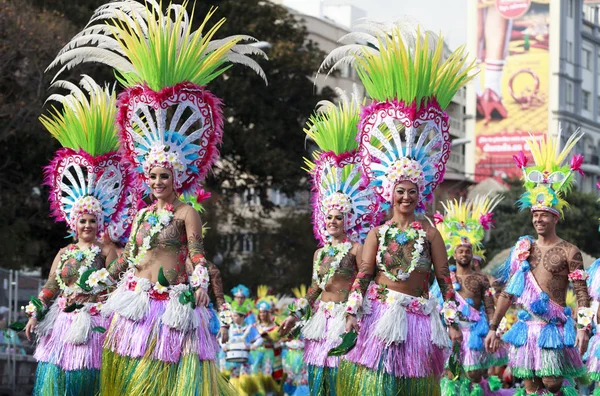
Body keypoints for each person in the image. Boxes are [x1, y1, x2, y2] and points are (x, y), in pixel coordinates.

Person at [48, 2, 268, 394]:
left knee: (169, 384)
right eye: (153, 176)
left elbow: (197, 254)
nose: (158, 181)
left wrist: (201, 281)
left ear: (177, 176)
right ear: (146, 177)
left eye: (165, 175)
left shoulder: (186, 213)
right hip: (135, 306)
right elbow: (131, 257)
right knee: (131, 383)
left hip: (171, 308)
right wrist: (95, 284)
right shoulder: (143, 214)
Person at [318, 19, 476, 395]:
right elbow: (365, 272)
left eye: (411, 192)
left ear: (420, 194)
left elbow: (443, 279)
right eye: (399, 192)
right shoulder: (376, 233)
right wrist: (354, 309)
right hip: (378, 313)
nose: (406, 197)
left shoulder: (431, 233)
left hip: (419, 319)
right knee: (378, 385)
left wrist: (452, 319)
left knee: (412, 386)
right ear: (390, 194)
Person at [25, 77, 137, 395]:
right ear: (74, 224)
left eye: (92, 221)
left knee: (86, 383)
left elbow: (120, 286)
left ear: (99, 222)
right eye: (82, 221)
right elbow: (49, 287)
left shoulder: (107, 251)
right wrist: (36, 312)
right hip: (61, 325)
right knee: (56, 384)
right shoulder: (64, 253)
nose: (87, 225)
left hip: (93, 328)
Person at [279, 88, 384, 395]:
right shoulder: (319, 252)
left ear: (348, 220)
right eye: (329, 217)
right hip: (319, 320)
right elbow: (314, 287)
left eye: (339, 218)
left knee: (342, 383)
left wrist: (354, 313)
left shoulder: (356, 248)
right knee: (317, 384)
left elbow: (365, 282)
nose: (333, 222)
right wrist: (296, 313)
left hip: (344, 318)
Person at [485, 132, 591, 395]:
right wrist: (493, 327)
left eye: (545, 214)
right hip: (526, 326)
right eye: (536, 214)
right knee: (530, 385)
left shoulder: (570, 251)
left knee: (553, 383)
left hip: (554, 328)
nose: (539, 219)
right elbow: (509, 292)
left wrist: (583, 328)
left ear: (556, 217)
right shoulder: (523, 248)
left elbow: (581, 294)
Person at [435, 196, 509, 395]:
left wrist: (494, 329)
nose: (464, 254)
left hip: (475, 332)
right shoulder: (445, 278)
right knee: (452, 375)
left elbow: (490, 307)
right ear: (454, 253)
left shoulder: (481, 279)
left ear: (472, 252)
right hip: (451, 331)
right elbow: (436, 306)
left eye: (468, 251)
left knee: (475, 375)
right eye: (460, 251)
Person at [252, 299, 284, 393]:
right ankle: (258, 391)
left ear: (268, 314)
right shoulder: (255, 326)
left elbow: (277, 339)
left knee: (267, 373)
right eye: (260, 312)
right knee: (255, 372)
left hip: (269, 352)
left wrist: (268, 337)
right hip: (256, 352)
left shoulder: (274, 327)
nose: (262, 314)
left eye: (264, 312)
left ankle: (268, 392)